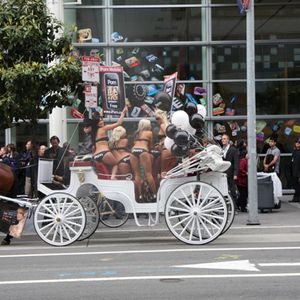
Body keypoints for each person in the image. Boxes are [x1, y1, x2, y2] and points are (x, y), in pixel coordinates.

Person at [93, 107, 128, 179]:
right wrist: (123, 113)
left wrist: (101, 114)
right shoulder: (103, 128)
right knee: (115, 164)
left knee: (105, 171)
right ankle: (113, 178)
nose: (102, 122)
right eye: (100, 122)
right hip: (104, 153)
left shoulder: (94, 132)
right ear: (97, 124)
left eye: (102, 120)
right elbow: (119, 123)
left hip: (96, 156)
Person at [131, 118, 156, 201]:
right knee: (148, 174)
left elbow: (134, 143)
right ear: (147, 125)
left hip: (134, 151)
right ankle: (155, 194)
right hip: (143, 150)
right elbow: (150, 147)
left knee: (137, 174)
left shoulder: (136, 133)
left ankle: (141, 195)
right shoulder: (149, 133)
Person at [154, 109, 177, 176]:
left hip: (165, 149)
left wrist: (161, 143)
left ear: (162, 117)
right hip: (170, 150)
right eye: (156, 119)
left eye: (157, 118)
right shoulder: (169, 125)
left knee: (163, 172)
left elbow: (169, 136)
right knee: (169, 172)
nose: (156, 120)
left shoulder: (163, 125)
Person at [221, 134, 239, 208]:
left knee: (232, 190)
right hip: (223, 173)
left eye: (224, 139)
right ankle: (226, 206)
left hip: (231, 173)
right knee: (225, 190)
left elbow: (236, 162)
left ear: (228, 140)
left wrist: (235, 174)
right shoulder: (222, 149)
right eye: (222, 139)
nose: (223, 140)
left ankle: (234, 206)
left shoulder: (233, 150)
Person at [289, 138, 300, 203]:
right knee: (295, 185)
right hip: (294, 171)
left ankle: (297, 197)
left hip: (298, 171)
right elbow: (292, 160)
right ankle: (296, 197)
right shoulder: (294, 151)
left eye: (299, 143)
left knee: (298, 185)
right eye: (296, 143)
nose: (297, 144)